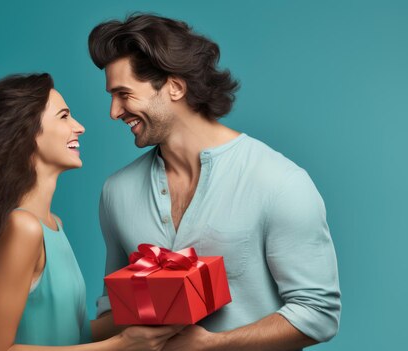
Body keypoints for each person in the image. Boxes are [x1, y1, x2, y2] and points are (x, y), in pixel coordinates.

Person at [88, 14, 341, 351]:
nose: (113, 112)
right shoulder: (116, 192)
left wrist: (212, 344)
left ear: (175, 87)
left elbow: (318, 314)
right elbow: (112, 314)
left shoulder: (280, 183)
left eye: (124, 94)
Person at [0, 73, 182, 350]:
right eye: (64, 116)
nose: (79, 127)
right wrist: (121, 346)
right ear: (26, 132)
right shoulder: (23, 227)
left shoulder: (53, 224)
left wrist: (148, 309)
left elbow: (69, 336)